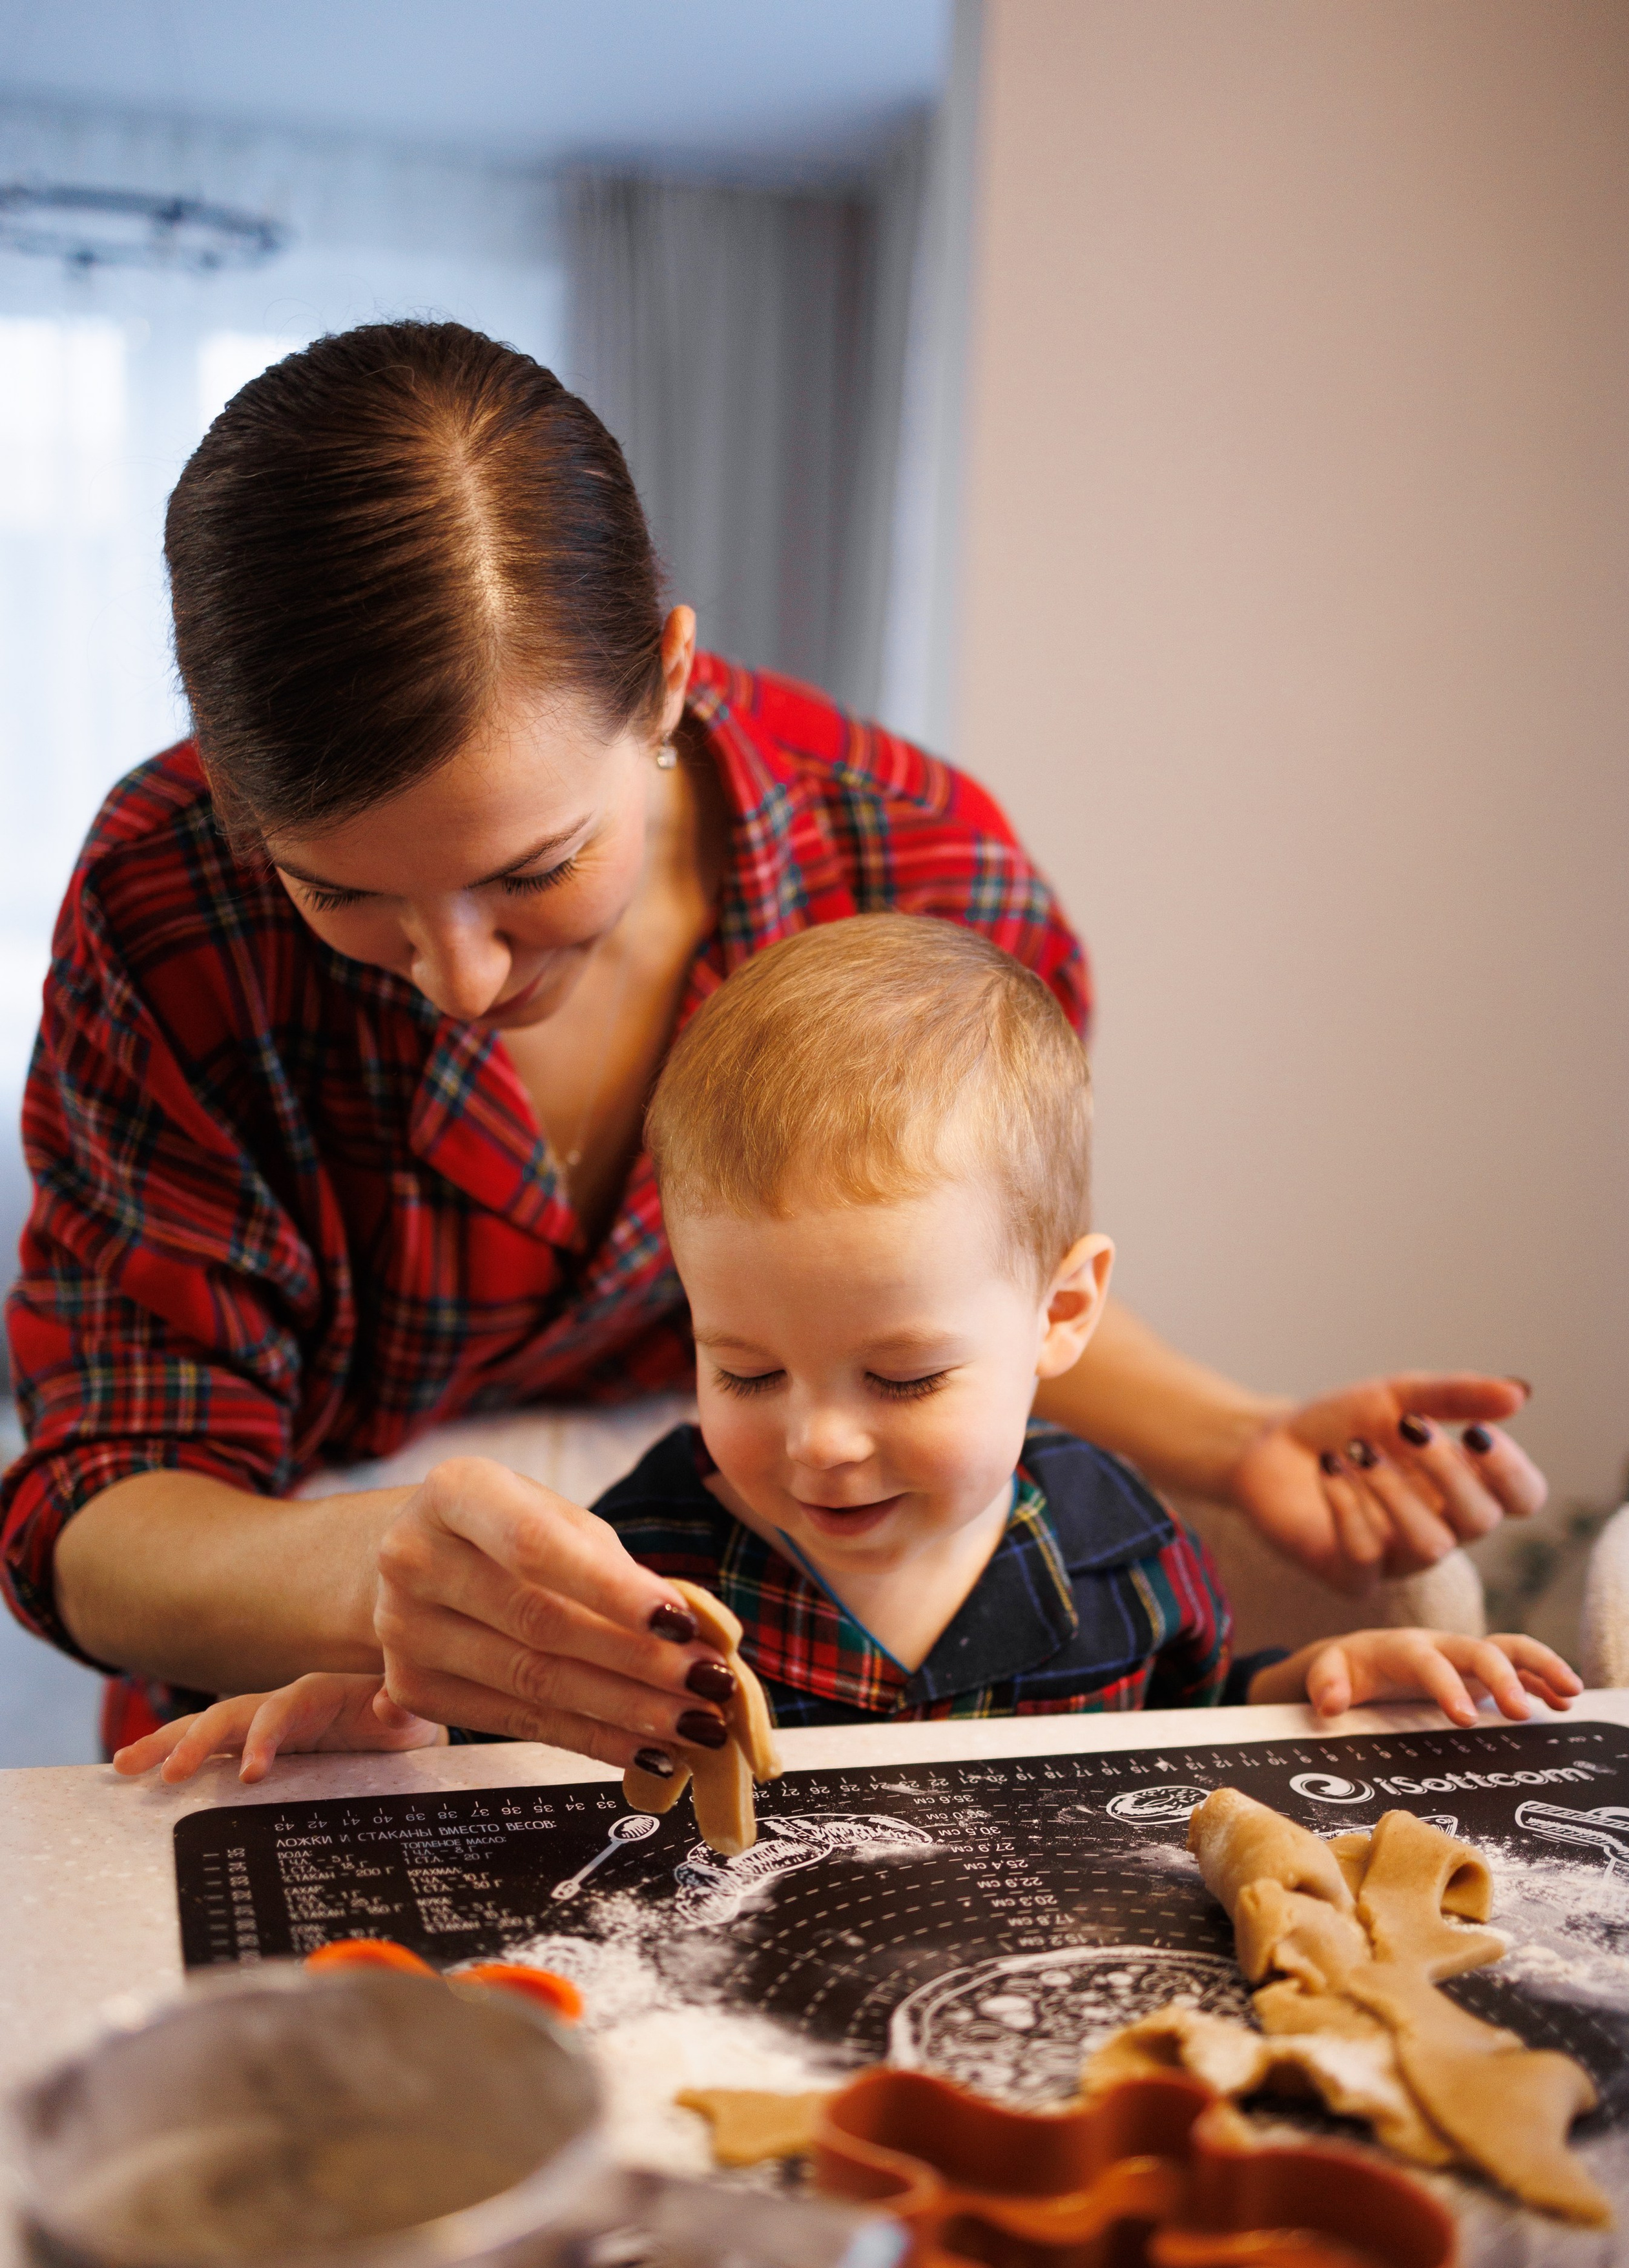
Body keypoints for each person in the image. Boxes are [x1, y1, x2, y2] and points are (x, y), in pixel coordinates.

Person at [5, 321, 1545, 1770]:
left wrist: (1240, 1438)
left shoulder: (923, 872)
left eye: (533, 871)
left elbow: (957, 1280)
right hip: (330, 1701)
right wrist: (360, 1587)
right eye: (339, 894)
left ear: (668, 679)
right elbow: (96, 1499)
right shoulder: (163, 900)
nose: (457, 979)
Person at [118, 917, 1575, 1785]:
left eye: (901, 1378)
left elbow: (1176, 1725)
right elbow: (525, 1761)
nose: (815, 1441)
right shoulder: (645, 1558)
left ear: (1062, 1312)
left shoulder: (1119, 1544)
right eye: (743, 1370)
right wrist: (389, 1739)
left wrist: (1313, 1687)